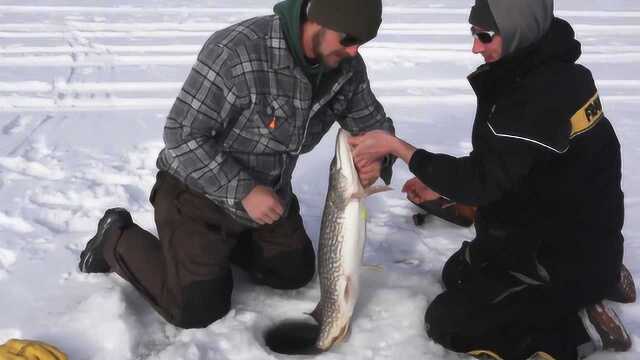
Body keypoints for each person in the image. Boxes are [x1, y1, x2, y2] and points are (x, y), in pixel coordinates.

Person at [77, 0, 394, 329]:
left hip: (269, 194)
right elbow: (181, 134)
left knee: (293, 273)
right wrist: (243, 190)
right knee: (197, 308)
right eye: (349, 39)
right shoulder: (238, 51)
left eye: (363, 42)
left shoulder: (345, 68)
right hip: (196, 191)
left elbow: (372, 124)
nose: (355, 52)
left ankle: (224, 245)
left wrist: (377, 158)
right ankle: (115, 238)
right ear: (318, 22)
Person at [349, 0, 634, 359]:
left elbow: (482, 180)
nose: (475, 47)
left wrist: (400, 149)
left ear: (519, 31)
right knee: (460, 273)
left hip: (562, 255)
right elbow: (509, 165)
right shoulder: (551, 71)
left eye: (485, 36)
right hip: (566, 231)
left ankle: (578, 327)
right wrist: (442, 183)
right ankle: (594, 279)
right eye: (474, 34)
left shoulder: (537, 94)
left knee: (449, 320)